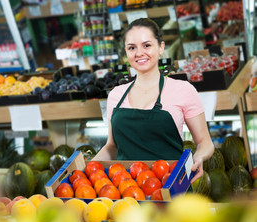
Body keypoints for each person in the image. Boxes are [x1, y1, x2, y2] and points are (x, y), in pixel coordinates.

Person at [92, 18, 214, 183]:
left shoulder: (183, 90)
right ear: (126, 53)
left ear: (161, 47)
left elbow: (205, 142)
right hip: (124, 189)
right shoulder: (116, 95)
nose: (139, 53)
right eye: (132, 48)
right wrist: (88, 167)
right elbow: (112, 147)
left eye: (147, 45)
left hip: (170, 184)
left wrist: (198, 157)